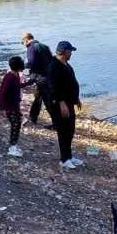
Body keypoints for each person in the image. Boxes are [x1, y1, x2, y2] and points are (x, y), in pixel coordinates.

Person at [46, 40, 81, 170]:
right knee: (63, 131)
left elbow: (71, 82)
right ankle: (64, 159)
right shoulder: (54, 65)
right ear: (65, 52)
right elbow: (53, 87)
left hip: (69, 102)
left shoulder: (66, 64)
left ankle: (69, 156)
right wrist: (61, 103)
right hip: (60, 104)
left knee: (70, 129)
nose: (71, 53)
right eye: (70, 51)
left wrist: (76, 99)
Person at [22, 32, 54, 126]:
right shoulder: (44, 46)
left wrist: (21, 66)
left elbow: (31, 62)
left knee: (47, 101)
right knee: (38, 97)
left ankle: (57, 123)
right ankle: (33, 118)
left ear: (26, 39)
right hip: (48, 76)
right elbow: (51, 60)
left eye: (22, 42)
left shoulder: (31, 47)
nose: (23, 44)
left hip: (40, 77)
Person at [0, 56, 26, 158]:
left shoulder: (16, 75)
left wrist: (31, 82)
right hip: (9, 106)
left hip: (15, 105)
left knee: (17, 124)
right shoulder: (9, 77)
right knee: (15, 124)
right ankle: (12, 147)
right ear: (18, 66)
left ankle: (14, 144)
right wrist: (3, 108)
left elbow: (18, 86)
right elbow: (1, 93)